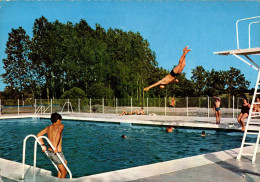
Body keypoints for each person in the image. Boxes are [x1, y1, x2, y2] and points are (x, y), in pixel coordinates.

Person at [37, 113, 68, 178]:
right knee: (64, 172)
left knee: (64, 164)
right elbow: (58, 135)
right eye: (60, 119)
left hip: (50, 152)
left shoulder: (48, 128)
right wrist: (55, 147)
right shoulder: (61, 126)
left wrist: (43, 145)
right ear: (58, 120)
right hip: (56, 153)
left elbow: (38, 135)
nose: (61, 121)